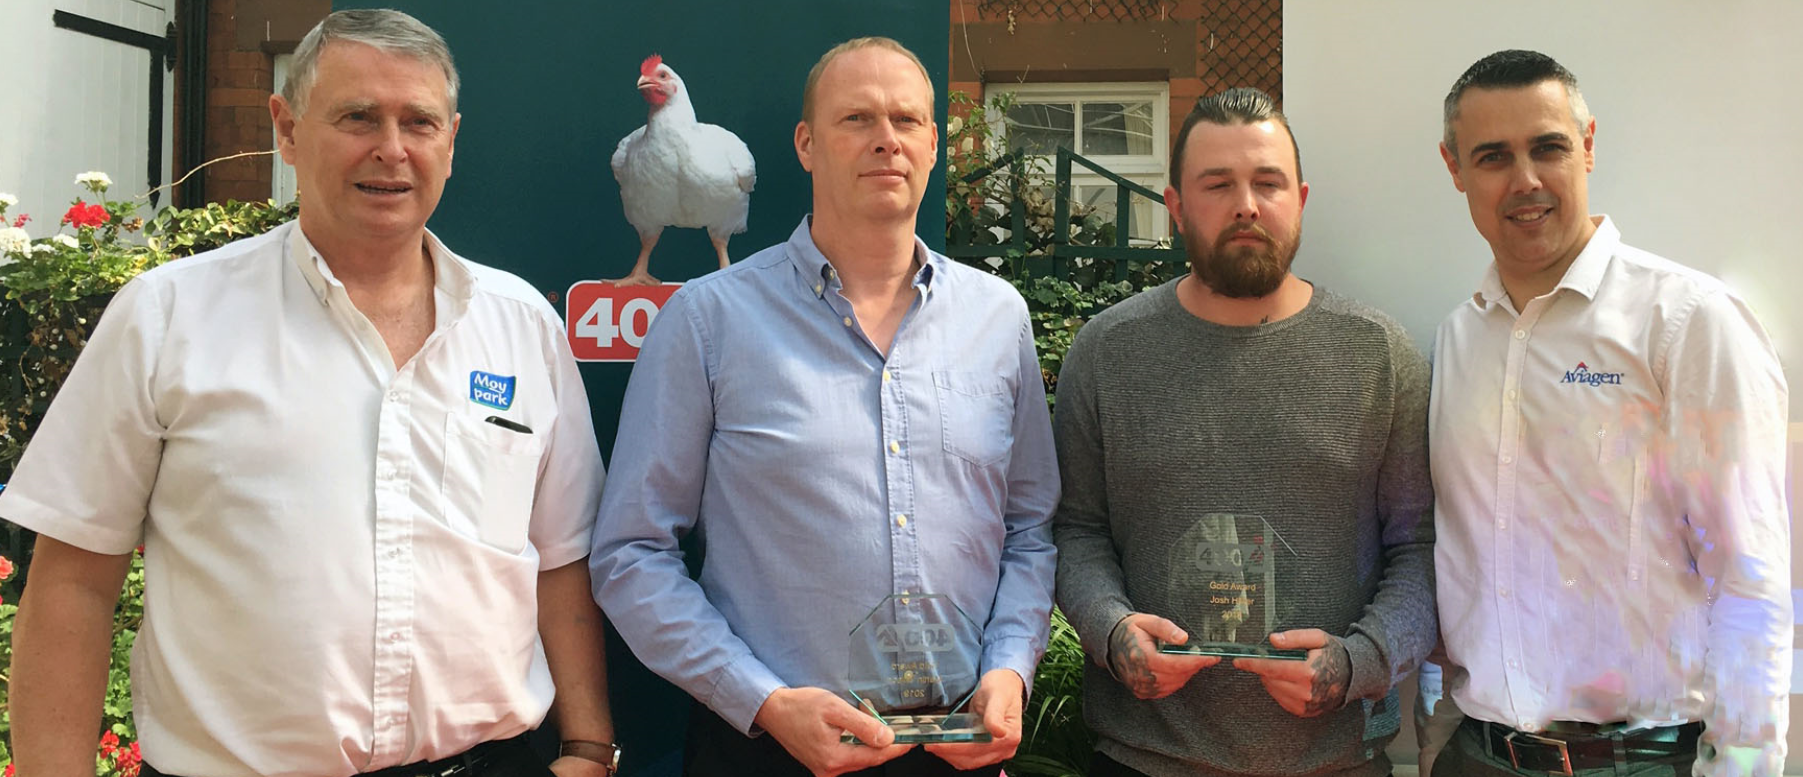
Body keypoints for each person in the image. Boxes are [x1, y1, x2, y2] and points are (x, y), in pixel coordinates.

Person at [2, 10, 617, 777]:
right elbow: (72, 580)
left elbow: (560, 558)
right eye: (358, 116)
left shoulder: (522, 324)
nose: (391, 149)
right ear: (287, 131)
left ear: (450, 142)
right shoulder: (168, 317)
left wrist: (589, 745)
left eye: (417, 122)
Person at [589, 36, 1058, 777]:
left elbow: (1029, 529)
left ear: (933, 143)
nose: (885, 141)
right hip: (767, 748)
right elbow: (630, 552)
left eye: (906, 121)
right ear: (806, 144)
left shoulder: (997, 320)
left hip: (954, 747)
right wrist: (762, 700)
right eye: (856, 120)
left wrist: (1009, 665)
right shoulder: (709, 319)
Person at [1052, 87, 1436, 777]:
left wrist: (1360, 661)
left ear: (1300, 197)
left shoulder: (1379, 355)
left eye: (1267, 182)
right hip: (1145, 758)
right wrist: (1111, 630)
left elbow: (1419, 547)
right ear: (1174, 206)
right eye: (1217, 184)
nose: (1245, 205)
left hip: (1336, 762)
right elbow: (1075, 529)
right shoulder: (1107, 352)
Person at [1428, 49, 1791, 776]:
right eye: (1493, 156)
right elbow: (1457, 553)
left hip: (1639, 759)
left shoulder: (1685, 322)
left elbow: (1748, 576)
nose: (1524, 180)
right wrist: (1439, 735)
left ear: (1587, 145)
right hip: (1477, 753)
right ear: (1454, 168)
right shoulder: (1458, 337)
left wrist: (1744, 767)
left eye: (1548, 147)